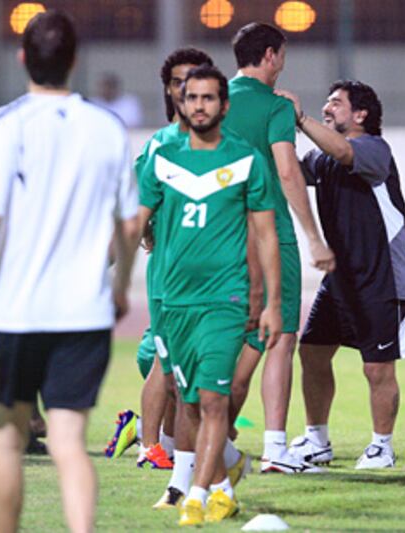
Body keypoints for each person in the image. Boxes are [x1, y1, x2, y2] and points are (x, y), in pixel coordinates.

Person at [0, 10, 139, 533]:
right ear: (74, 60)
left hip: (17, 311)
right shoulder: (107, 127)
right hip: (84, 311)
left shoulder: (6, 124)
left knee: (6, 441)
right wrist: (118, 287)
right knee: (70, 442)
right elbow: (128, 223)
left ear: (23, 57)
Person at [136, 64, 282, 526]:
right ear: (180, 102)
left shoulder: (246, 161)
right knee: (191, 402)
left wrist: (271, 301)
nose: (199, 106)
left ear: (225, 105)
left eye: (208, 98)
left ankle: (196, 495)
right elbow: (137, 221)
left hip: (224, 300)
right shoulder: (161, 157)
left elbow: (265, 236)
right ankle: (223, 482)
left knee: (214, 399)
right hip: (173, 302)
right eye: (191, 97)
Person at [278, 80, 405, 469]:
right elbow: (287, 170)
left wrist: (301, 118)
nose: (327, 108)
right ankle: (317, 441)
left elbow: (342, 150)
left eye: (336, 104)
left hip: (385, 273)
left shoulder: (373, 148)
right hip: (341, 277)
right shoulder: (321, 159)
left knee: (377, 366)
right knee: (313, 352)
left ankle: (381, 446)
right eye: (325, 103)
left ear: (361, 115)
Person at [221, 22, 335, 474]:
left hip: (219, 237)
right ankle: (275, 448)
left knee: (229, 342)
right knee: (281, 338)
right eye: (281, 54)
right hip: (268, 234)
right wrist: (312, 236)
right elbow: (288, 172)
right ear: (270, 55)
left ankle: (197, 442)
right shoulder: (274, 106)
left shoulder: (216, 101)